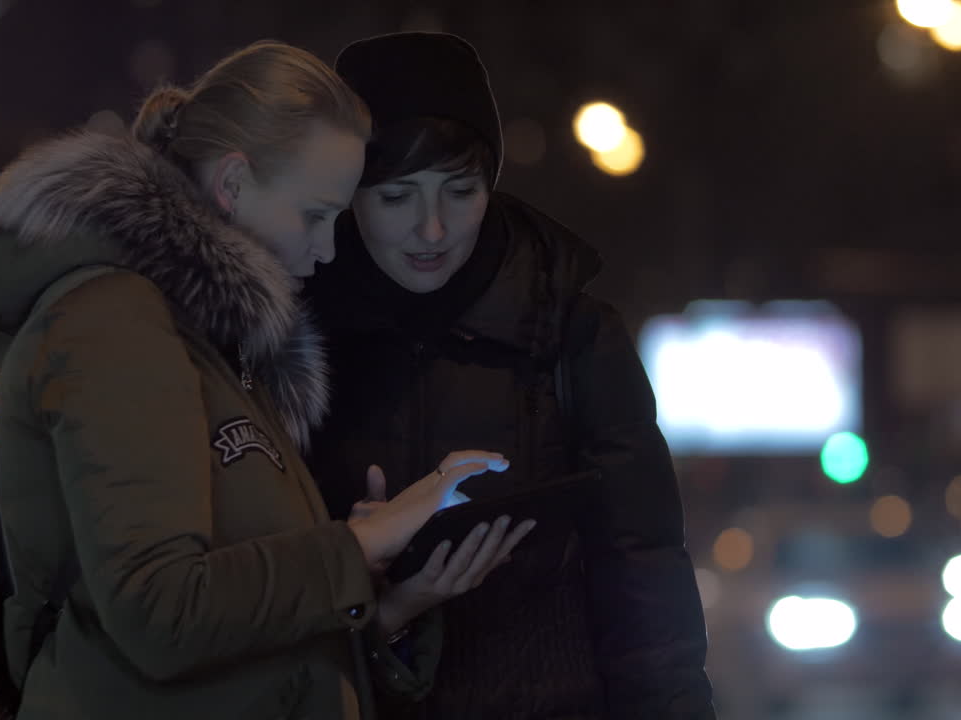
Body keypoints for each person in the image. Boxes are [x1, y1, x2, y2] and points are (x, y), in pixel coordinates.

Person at [0, 39, 525, 720]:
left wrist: (379, 587)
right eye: (315, 216)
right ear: (231, 184)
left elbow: (237, 631)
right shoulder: (115, 321)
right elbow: (159, 612)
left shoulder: (205, 336)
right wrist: (356, 546)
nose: (327, 249)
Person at [304, 32, 717, 720]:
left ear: (491, 180)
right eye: (396, 196)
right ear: (349, 193)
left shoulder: (570, 333)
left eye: (460, 191)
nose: (431, 230)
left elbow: (644, 571)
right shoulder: (294, 338)